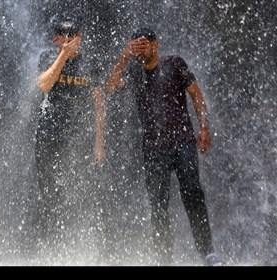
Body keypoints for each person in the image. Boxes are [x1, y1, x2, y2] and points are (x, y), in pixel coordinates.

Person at [105, 27, 224, 266]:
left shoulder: (175, 64)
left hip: (183, 143)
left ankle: (208, 254)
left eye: (142, 44)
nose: (139, 49)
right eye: (134, 45)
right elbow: (110, 85)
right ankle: (164, 259)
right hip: (153, 148)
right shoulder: (135, 72)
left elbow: (196, 95)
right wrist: (125, 55)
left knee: (193, 196)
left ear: (155, 45)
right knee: (158, 205)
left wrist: (204, 127)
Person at [35, 20, 105, 256]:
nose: (69, 38)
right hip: (49, 136)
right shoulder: (47, 57)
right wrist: (63, 56)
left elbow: (98, 104)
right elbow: (44, 85)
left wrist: (98, 143)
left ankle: (80, 248)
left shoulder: (90, 63)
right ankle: (53, 249)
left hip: (79, 139)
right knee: (49, 194)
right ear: (56, 39)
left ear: (80, 36)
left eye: (72, 34)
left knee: (80, 191)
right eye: (63, 35)